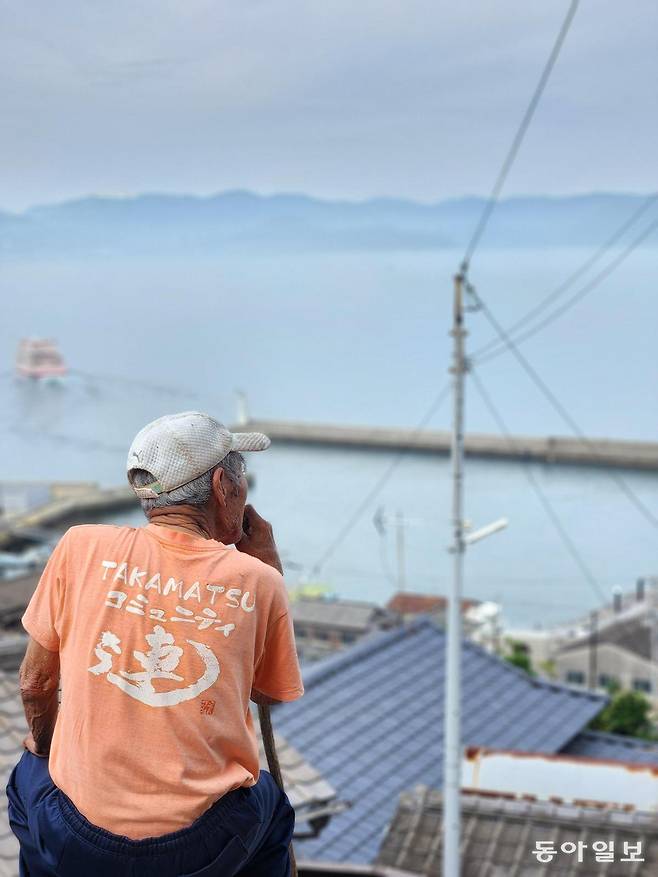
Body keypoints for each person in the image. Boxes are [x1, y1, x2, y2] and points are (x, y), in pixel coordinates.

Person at [6, 411, 304, 877]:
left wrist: (46, 746)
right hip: (202, 843)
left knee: (28, 782)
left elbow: (34, 683)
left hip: (79, 839)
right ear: (223, 486)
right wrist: (266, 560)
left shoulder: (79, 545)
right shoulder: (259, 580)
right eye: (242, 480)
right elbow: (266, 694)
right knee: (272, 808)